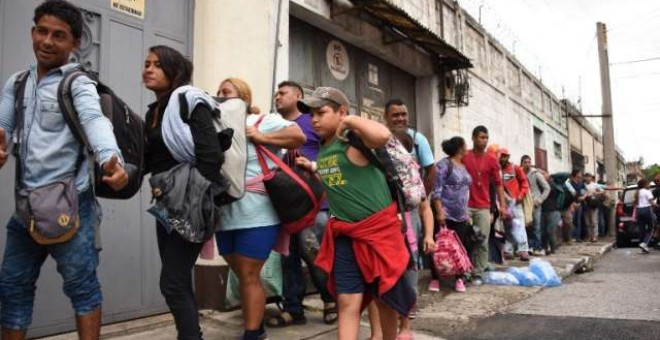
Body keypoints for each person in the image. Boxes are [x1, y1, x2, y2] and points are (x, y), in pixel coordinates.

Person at [0, 1, 128, 338]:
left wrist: (110, 159)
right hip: (25, 209)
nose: (47, 41)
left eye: (59, 36)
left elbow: (94, 121)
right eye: (42, 31)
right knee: (12, 288)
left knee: (82, 290)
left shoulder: (78, 83)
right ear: (32, 32)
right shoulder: (17, 82)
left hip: (72, 207)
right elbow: (2, 127)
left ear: (74, 44)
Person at [296, 87, 415, 340]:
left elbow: (383, 135)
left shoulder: (353, 140)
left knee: (386, 300)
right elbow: (340, 178)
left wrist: (349, 120)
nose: (314, 119)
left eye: (321, 112)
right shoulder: (322, 147)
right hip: (344, 236)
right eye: (311, 114)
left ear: (341, 112)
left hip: (379, 236)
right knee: (347, 302)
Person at [143, 45, 228, 340]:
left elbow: (211, 156)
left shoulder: (189, 100)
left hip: (190, 200)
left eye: (157, 64)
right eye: (147, 64)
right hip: (165, 201)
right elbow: (149, 160)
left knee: (172, 281)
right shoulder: (153, 111)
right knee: (176, 280)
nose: (148, 69)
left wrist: (193, 196)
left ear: (175, 72)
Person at [216, 78, 305, 340]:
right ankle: (255, 325)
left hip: (258, 212)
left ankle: (253, 333)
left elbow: (297, 136)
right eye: (218, 92)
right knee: (241, 273)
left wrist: (261, 137)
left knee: (249, 273)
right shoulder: (215, 125)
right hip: (224, 214)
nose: (220, 95)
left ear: (243, 97)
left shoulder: (262, 121)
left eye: (226, 92)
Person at [265, 81, 337, 328]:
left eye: (283, 93)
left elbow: (331, 151)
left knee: (314, 252)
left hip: (314, 202)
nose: (278, 97)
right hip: (286, 204)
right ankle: (294, 309)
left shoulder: (311, 121)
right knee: (288, 257)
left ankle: (330, 301)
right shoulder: (273, 124)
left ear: (298, 96)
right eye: (277, 93)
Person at [383, 99, 436, 292]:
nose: (400, 118)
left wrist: (418, 198)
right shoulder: (379, 139)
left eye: (403, 114)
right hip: (385, 209)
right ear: (386, 117)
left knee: (410, 254)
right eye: (395, 115)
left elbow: (431, 170)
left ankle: (408, 304)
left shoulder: (417, 139)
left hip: (410, 207)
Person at [464, 126, 508, 283]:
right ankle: (465, 270)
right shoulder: (464, 156)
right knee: (465, 239)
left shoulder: (491, 160)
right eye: (481, 137)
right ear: (473, 138)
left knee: (482, 240)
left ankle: (478, 272)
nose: (484, 141)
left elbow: (499, 184)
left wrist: (502, 206)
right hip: (465, 206)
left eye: (486, 138)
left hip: (484, 206)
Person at [431, 136, 473, 292]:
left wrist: (466, 212)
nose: (467, 148)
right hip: (445, 213)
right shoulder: (444, 165)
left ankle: (459, 278)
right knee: (439, 246)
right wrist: (439, 211)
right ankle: (435, 278)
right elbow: (437, 190)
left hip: (461, 215)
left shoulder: (463, 166)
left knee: (459, 248)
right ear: (460, 148)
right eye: (465, 145)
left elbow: (465, 190)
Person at [499, 148, 531, 261]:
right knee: (508, 228)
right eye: (500, 155)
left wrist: (521, 196)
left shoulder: (515, 168)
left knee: (520, 226)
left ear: (508, 156)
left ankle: (523, 250)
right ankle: (508, 250)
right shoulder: (497, 170)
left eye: (504, 156)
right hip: (504, 204)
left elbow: (524, 183)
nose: (502, 158)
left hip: (516, 202)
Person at [521, 155, 550, 255]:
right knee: (525, 226)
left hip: (535, 203)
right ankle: (528, 247)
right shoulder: (518, 172)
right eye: (525, 162)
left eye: (529, 162)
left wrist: (540, 200)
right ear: (522, 163)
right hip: (523, 204)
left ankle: (537, 247)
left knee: (536, 226)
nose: (527, 164)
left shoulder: (536, 173)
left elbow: (547, 188)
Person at [540, 171, 561, 255]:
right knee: (543, 232)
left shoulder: (552, 184)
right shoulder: (539, 185)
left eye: (543, 173)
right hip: (542, 210)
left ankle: (553, 249)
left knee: (550, 231)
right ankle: (545, 248)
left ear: (548, 175)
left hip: (552, 210)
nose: (542, 175)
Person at [635, 178, 657, 253]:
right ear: (644, 184)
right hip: (647, 210)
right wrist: (657, 206)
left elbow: (635, 203)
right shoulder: (647, 192)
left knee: (642, 229)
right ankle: (645, 243)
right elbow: (652, 202)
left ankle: (642, 246)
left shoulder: (637, 192)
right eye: (648, 184)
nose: (649, 185)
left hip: (639, 211)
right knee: (652, 227)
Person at [583, 173, 604, 242]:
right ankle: (590, 236)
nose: (588, 178)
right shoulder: (583, 185)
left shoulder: (594, 185)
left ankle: (595, 236)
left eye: (589, 177)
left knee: (594, 221)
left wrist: (595, 193)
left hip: (593, 204)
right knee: (587, 221)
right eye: (586, 177)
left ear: (591, 178)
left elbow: (602, 191)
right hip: (585, 204)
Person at [566, 170, 587, 243]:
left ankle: (577, 237)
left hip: (580, 204)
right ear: (576, 174)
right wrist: (573, 203)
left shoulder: (581, 184)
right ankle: (571, 237)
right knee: (572, 221)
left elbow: (585, 191)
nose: (580, 175)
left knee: (578, 221)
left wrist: (584, 197)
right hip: (572, 204)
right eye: (579, 173)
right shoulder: (570, 183)